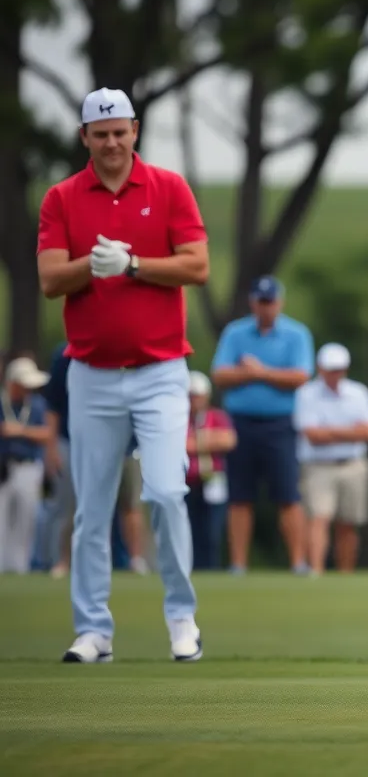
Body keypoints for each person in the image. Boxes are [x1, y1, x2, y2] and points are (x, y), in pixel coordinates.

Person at [36, 86, 208, 663]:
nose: (112, 143)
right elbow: (50, 279)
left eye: (120, 131)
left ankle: (182, 618)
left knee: (166, 491)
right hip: (91, 373)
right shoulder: (62, 198)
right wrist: (94, 263)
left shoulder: (169, 187)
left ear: (135, 130)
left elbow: (197, 266)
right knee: (91, 506)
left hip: (160, 370)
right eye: (101, 134)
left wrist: (131, 264)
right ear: (84, 137)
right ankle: (93, 631)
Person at [211, 275, 314, 574]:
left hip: (280, 425)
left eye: (270, 302)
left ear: (279, 302)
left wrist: (258, 372)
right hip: (240, 423)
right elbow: (221, 375)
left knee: (288, 495)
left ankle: (298, 562)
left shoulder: (296, 334)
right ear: (252, 303)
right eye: (261, 301)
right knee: (240, 496)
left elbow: (299, 376)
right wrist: (268, 375)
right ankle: (238, 564)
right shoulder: (235, 333)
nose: (266, 307)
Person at [44, 342, 149, 579]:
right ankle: (64, 561)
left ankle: (136, 559)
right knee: (73, 505)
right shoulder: (67, 354)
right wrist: (52, 447)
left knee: (130, 504)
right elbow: (53, 405)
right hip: (77, 442)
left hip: (125, 443)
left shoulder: (131, 351)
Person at [293, 343, 368, 576]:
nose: (335, 374)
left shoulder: (358, 393)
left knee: (348, 523)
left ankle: (345, 575)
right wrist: (351, 432)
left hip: (353, 464)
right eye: (331, 369)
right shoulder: (306, 393)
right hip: (318, 466)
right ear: (320, 369)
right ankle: (316, 571)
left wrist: (329, 432)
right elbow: (313, 435)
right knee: (319, 518)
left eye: (339, 369)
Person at [0, 357, 52, 573]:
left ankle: (20, 567)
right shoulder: (3, 402)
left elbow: (47, 433)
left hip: (28, 466)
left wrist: (20, 431)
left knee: (26, 520)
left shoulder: (36, 405)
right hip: (3, 467)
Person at [185, 371, 236, 570]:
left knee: (211, 531)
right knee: (189, 530)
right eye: (191, 396)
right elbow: (179, 445)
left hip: (213, 479)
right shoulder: (179, 418)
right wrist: (209, 440)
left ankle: (211, 568)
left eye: (197, 396)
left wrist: (196, 442)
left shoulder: (216, 416)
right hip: (187, 481)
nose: (194, 400)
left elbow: (228, 440)